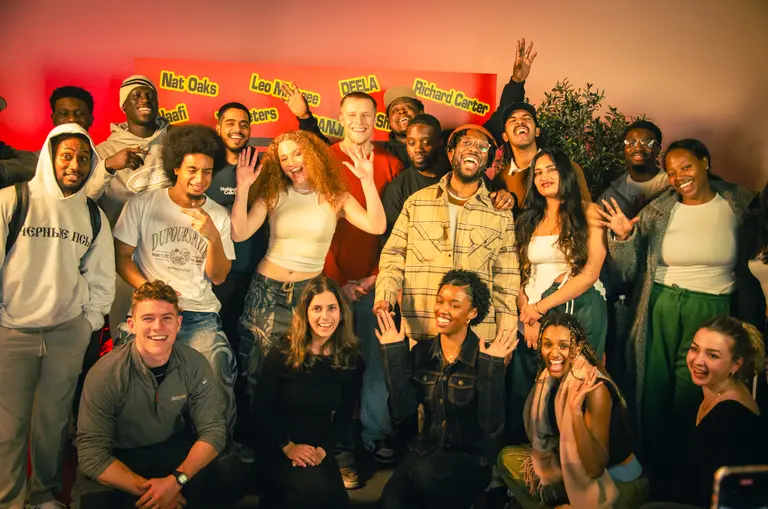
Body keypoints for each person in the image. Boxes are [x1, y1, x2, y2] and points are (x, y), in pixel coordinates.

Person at [599, 138, 756, 488]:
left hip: (712, 309)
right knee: (653, 390)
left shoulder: (740, 204)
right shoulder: (659, 211)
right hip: (661, 304)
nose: (679, 177)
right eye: (671, 172)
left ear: (705, 162)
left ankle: (688, 473)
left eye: (686, 166)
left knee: (695, 390)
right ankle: (651, 471)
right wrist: (623, 237)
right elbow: (626, 272)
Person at [0, 123, 115, 509]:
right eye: (67, 155)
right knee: (8, 428)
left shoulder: (91, 215)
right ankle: (10, 500)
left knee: (51, 426)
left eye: (84, 158)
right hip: (12, 332)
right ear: (50, 156)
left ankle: (42, 496)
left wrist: (88, 324)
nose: (75, 165)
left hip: (67, 333)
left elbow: (101, 279)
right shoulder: (12, 200)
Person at [231, 129, 384, 417]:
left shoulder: (335, 197)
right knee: (258, 369)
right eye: (284, 157)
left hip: (308, 295)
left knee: (304, 370)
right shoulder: (274, 193)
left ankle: (300, 442)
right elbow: (239, 234)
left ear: (312, 155)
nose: (290, 162)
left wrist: (367, 180)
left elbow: (376, 226)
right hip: (267, 290)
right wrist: (243, 189)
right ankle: (262, 443)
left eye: (297, 153)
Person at [112, 124, 239, 448]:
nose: (200, 178)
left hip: (199, 314)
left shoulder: (218, 215)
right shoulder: (143, 204)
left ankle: (217, 453)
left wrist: (211, 235)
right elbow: (122, 257)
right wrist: (150, 291)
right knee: (122, 374)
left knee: (218, 370)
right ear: (176, 167)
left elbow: (220, 276)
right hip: (151, 312)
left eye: (208, 172)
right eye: (192, 170)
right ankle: (132, 450)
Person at [71, 281, 227, 509]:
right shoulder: (105, 373)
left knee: (231, 471)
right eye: (148, 319)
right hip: (124, 458)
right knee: (93, 502)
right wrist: (156, 493)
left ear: (178, 323)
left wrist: (176, 482)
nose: (158, 327)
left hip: (172, 454)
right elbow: (92, 453)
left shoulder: (195, 364)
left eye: (166, 318)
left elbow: (213, 431)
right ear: (132, 325)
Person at [376, 269, 517, 509]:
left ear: (472, 313)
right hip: (425, 450)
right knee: (391, 501)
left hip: (469, 458)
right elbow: (402, 413)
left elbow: (491, 428)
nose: (442, 310)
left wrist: (492, 370)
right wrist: (394, 355)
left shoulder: (487, 356)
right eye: (440, 301)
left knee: (426, 475)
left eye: (454, 305)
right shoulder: (422, 352)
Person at [375, 124, 520, 343]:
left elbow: (506, 281)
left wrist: (505, 338)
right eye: (467, 143)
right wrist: (385, 296)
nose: (473, 149)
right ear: (451, 153)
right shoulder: (417, 203)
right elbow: (393, 257)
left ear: (488, 161)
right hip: (422, 332)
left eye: (483, 147)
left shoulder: (500, 214)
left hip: (478, 339)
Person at [507, 147, 608, 446]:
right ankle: (526, 465)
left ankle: (573, 469)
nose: (543, 177)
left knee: (573, 390)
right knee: (525, 391)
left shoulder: (589, 212)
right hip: (530, 315)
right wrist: (526, 313)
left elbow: (590, 272)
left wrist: (540, 309)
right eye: (537, 173)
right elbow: (517, 272)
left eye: (551, 169)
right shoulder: (528, 219)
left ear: (565, 172)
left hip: (577, 309)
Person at [498, 312, 646, 509]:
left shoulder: (594, 388)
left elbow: (594, 468)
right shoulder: (548, 380)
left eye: (563, 345)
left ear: (576, 349)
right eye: (548, 344)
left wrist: (575, 412)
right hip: (571, 470)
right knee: (507, 459)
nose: (554, 353)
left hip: (615, 483)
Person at [252, 276, 360, 509]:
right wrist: (289, 447)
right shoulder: (283, 352)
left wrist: (322, 451)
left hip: (318, 449)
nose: (325, 317)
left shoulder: (350, 357)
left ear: (341, 312)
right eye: (317, 308)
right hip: (280, 447)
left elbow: (344, 416)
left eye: (332, 308)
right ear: (305, 312)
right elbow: (260, 410)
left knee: (338, 503)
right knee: (312, 494)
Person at [641, 316, 767, 509]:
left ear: (736, 364)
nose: (698, 361)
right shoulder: (713, 388)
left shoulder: (730, 418)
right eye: (694, 349)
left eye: (713, 355)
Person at [381, 38, 536, 166]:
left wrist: (516, 82)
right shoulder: (379, 153)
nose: (401, 111)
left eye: (407, 107)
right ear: (388, 119)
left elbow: (496, 125)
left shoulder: (449, 142)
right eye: (395, 110)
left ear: (421, 112)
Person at [208, 102, 269, 360]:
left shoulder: (265, 166)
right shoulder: (206, 166)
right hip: (214, 277)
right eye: (230, 123)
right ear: (218, 127)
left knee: (253, 351)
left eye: (244, 124)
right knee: (217, 349)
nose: (237, 129)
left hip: (256, 275)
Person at [492, 101, 591, 208]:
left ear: (537, 131)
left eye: (526, 118)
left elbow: (587, 212)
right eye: (513, 120)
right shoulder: (499, 180)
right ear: (505, 136)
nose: (520, 122)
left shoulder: (565, 167)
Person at [382, 114, 450, 241]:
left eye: (426, 142)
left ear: (440, 142)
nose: (418, 149)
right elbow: (392, 244)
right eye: (411, 143)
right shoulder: (398, 189)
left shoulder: (458, 175)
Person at [599, 120, 668, 220]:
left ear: (659, 149)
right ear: (624, 149)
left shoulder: (673, 186)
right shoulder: (612, 194)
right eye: (631, 143)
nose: (638, 148)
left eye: (647, 143)